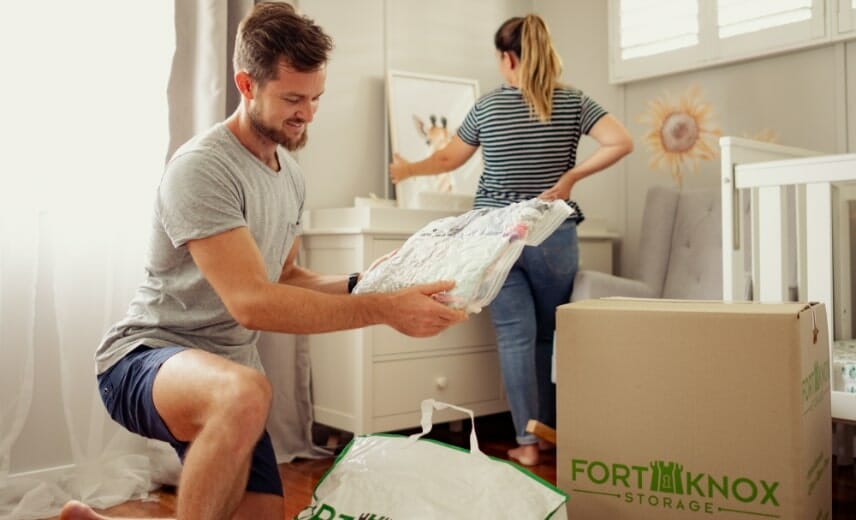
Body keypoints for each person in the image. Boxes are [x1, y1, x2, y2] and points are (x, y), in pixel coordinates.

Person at [60, 3, 466, 520]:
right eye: (293, 99)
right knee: (247, 391)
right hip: (147, 357)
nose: (308, 114)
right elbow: (252, 302)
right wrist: (384, 309)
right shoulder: (203, 168)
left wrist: (364, 282)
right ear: (246, 85)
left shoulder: (289, 175)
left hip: (230, 376)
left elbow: (284, 277)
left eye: (316, 98)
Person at [389, 14, 633, 467]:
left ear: (507, 58)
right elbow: (620, 141)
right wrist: (571, 177)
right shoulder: (573, 101)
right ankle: (552, 433)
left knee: (515, 335)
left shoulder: (487, 107)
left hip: (498, 236)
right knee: (548, 336)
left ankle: (527, 443)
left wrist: (407, 169)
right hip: (552, 232)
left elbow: (447, 159)